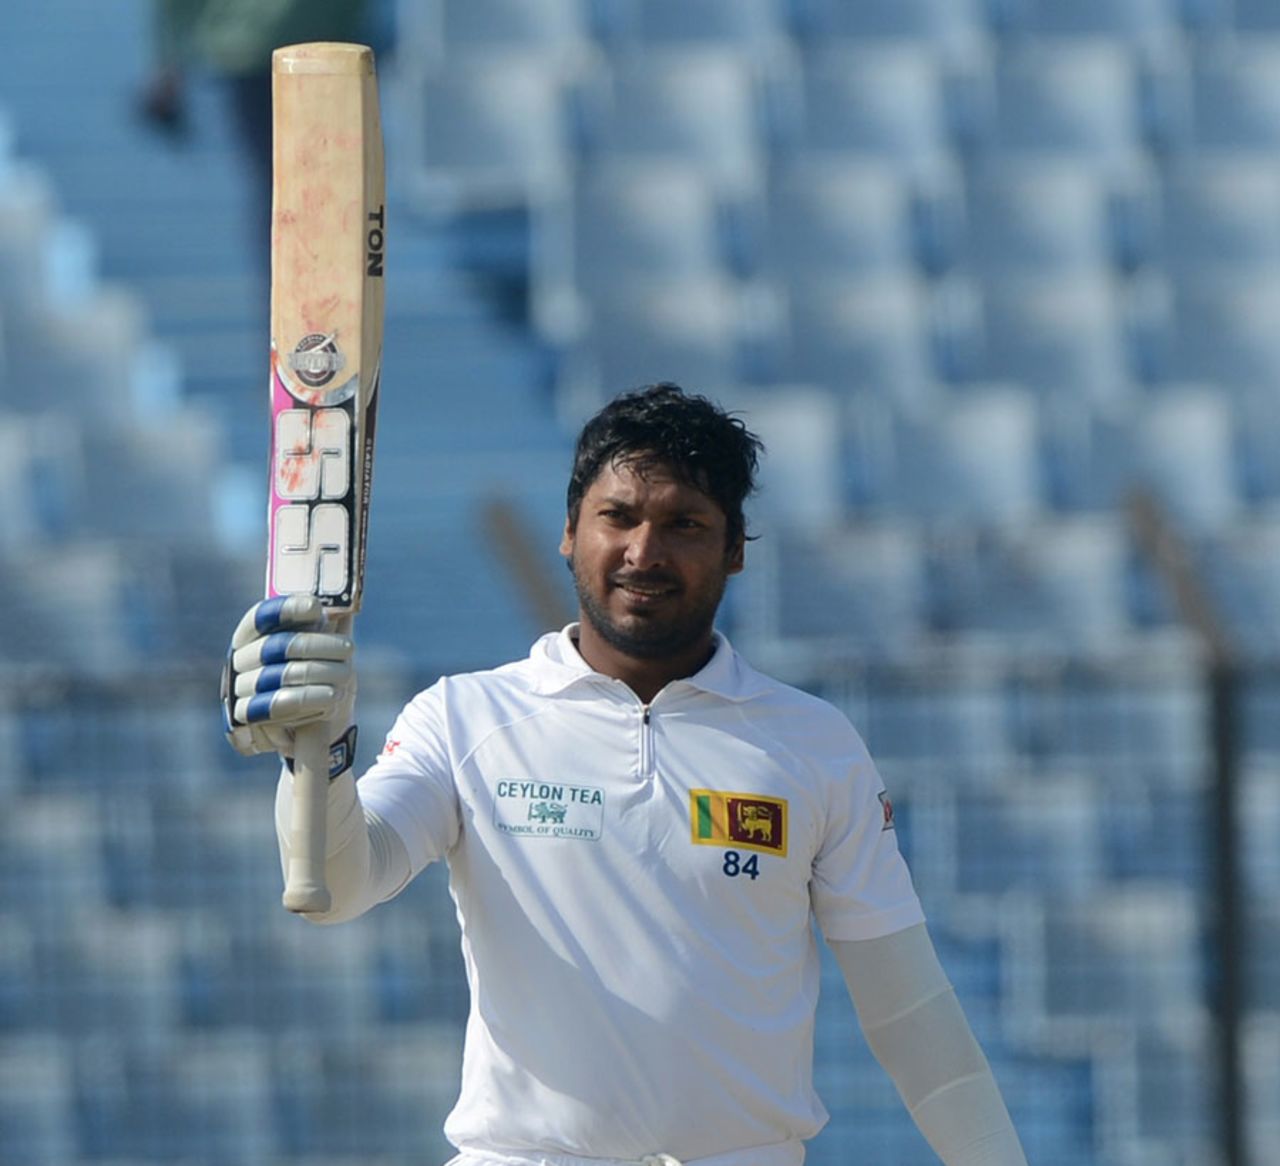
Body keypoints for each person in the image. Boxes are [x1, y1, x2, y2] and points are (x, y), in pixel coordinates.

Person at [222, 383, 1028, 1166]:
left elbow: (911, 1013)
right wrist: (316, 759)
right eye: (619, 516)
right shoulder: (465, 719)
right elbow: (333, 886)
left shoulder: (812, 745)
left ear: (735, 549)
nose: (645, 551)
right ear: (570, 530)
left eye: (684, 524)